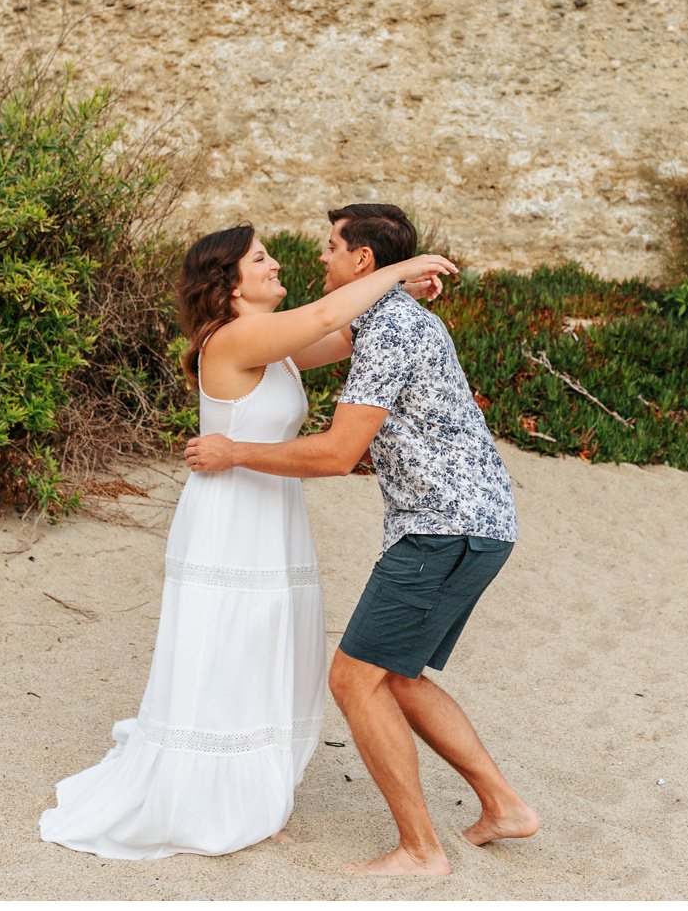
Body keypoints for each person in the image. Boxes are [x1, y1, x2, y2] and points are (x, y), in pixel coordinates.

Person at [39, 224, 456, 861]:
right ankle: (213, 796)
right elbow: (325, 312)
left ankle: (248, 788)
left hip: (268, 512)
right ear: (228, 284)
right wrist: (398, 270)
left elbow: (346, 334)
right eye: (260, 258)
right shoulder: (237, 337)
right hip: (232, 518)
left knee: (262, 645)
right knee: (231, 645)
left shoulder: (275, 344)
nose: (275, 262)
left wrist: (404, 296)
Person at [185, 203, 537, 880]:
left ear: (362, 260)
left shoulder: (390, 329)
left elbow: (339, 453)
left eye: (328, 245)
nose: (314, 257)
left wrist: (234, 451)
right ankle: (504, 806)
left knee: (353, 679)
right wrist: (401, 284)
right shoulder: (383, 317)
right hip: (470, 522)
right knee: (395, 676)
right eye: (265, 257)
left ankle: (420, 850)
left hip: (444, 527)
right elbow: (322, 329)